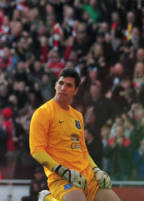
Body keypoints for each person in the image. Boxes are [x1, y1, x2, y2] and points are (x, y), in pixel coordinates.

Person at [30, 68, 121, 201]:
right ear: (55, 85)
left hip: (87, 177)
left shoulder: (78, 116)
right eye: (61, 83)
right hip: (61, 178)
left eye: (69, 85)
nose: (63, 87)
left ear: (75, 90)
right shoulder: (42, 113)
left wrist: (96, 170)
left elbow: (83, 150)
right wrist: (64, 171)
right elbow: (37, 151)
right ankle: (48, 199)